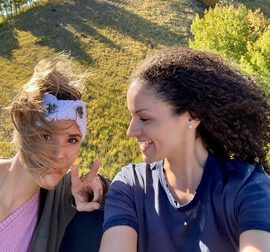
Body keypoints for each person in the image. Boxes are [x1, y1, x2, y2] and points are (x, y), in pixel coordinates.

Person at [100, 47, 270, 252]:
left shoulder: (247, 186)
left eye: (144, 118)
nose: (131, 131)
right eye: (131, 117)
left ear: (192, 116)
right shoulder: (130, 186)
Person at [0, 54, 109, 252]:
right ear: (24, 130)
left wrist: (97, 186)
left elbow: (124, 190)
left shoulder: (61, 198)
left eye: (72, 140)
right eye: (46, 136)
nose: (60, 154)